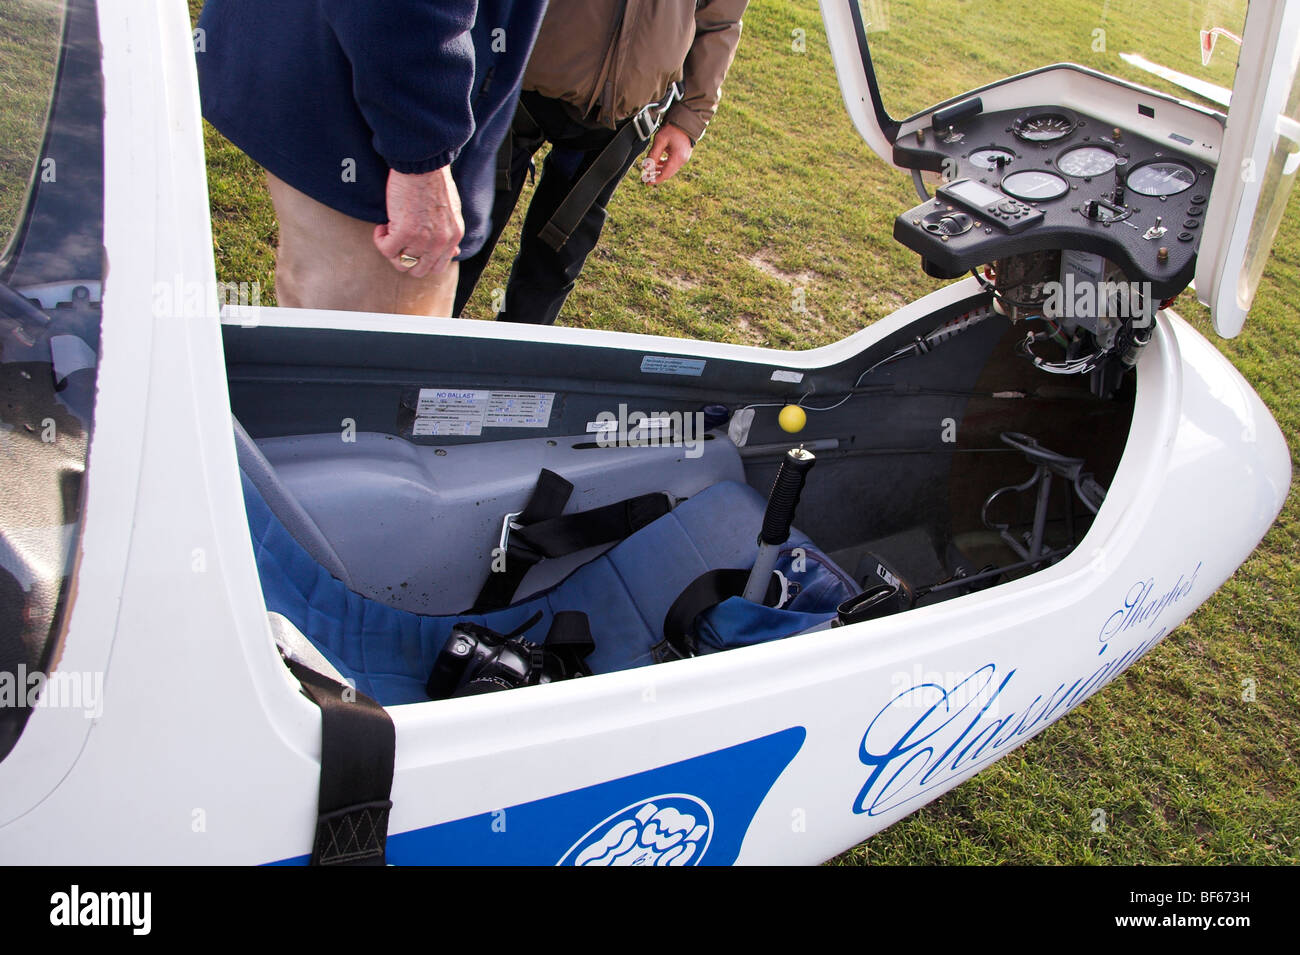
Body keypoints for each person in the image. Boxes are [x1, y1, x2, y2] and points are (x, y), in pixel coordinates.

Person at [196, 1, 546, 317]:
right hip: (368, 127)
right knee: (369, 365)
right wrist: (423, 157)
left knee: (312, 322)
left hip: (310, 63)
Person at [454, 0, 748, 325]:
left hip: (623, 118)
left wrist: (691, 114)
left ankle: (511, 370)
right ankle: (416, 359)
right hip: (510, 84)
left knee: (555, 260)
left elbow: (722, 15)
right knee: (460, 238)